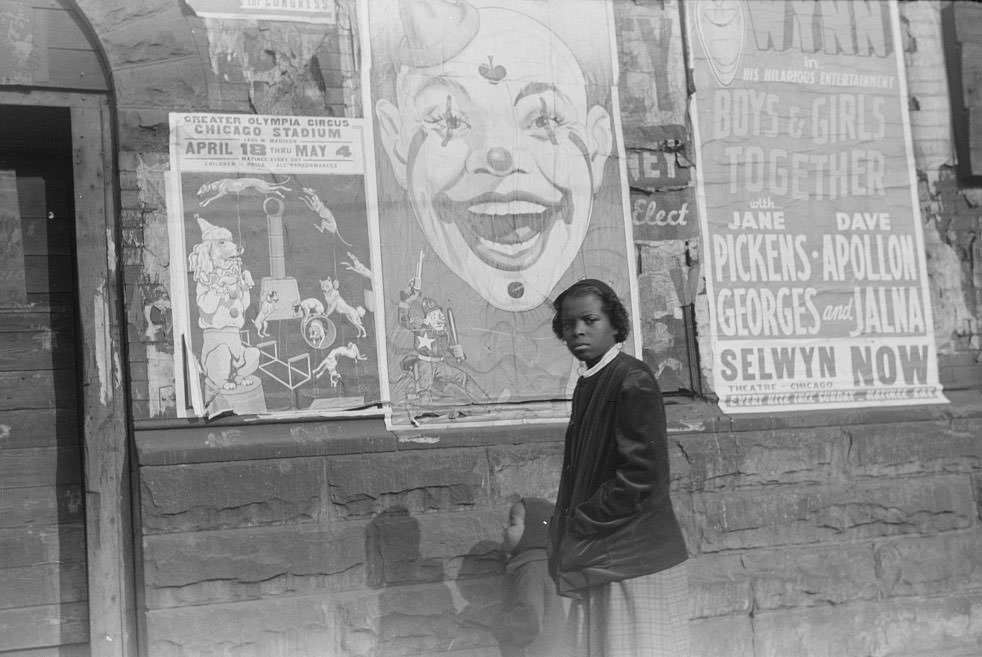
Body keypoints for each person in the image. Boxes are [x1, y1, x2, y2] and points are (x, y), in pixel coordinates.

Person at [548, 279, 689, 657]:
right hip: (605, 552)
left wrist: (582, 519)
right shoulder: (590, 381)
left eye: (590, 320)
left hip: (633, 555)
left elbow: (643, 476)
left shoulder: (632, 380)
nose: (577, 330)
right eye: (569, 323)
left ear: (615, 325)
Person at [492, 497, 566, 657]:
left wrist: (498, 623)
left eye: (512, 523)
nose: (504, 527)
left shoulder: (530, 570)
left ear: (533, 532)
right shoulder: (543, 564)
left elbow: (528, 621)